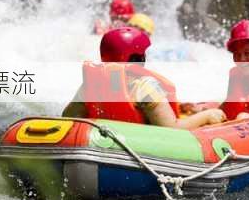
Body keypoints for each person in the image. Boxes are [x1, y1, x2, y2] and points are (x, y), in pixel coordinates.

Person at [63, 27, 226, 129]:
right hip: (142, 152)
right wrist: (207, 115)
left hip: (102, 147)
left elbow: (69, 118)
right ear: (137, 60)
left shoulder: (91, 86)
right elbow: (172, 129)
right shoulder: (145, 86)